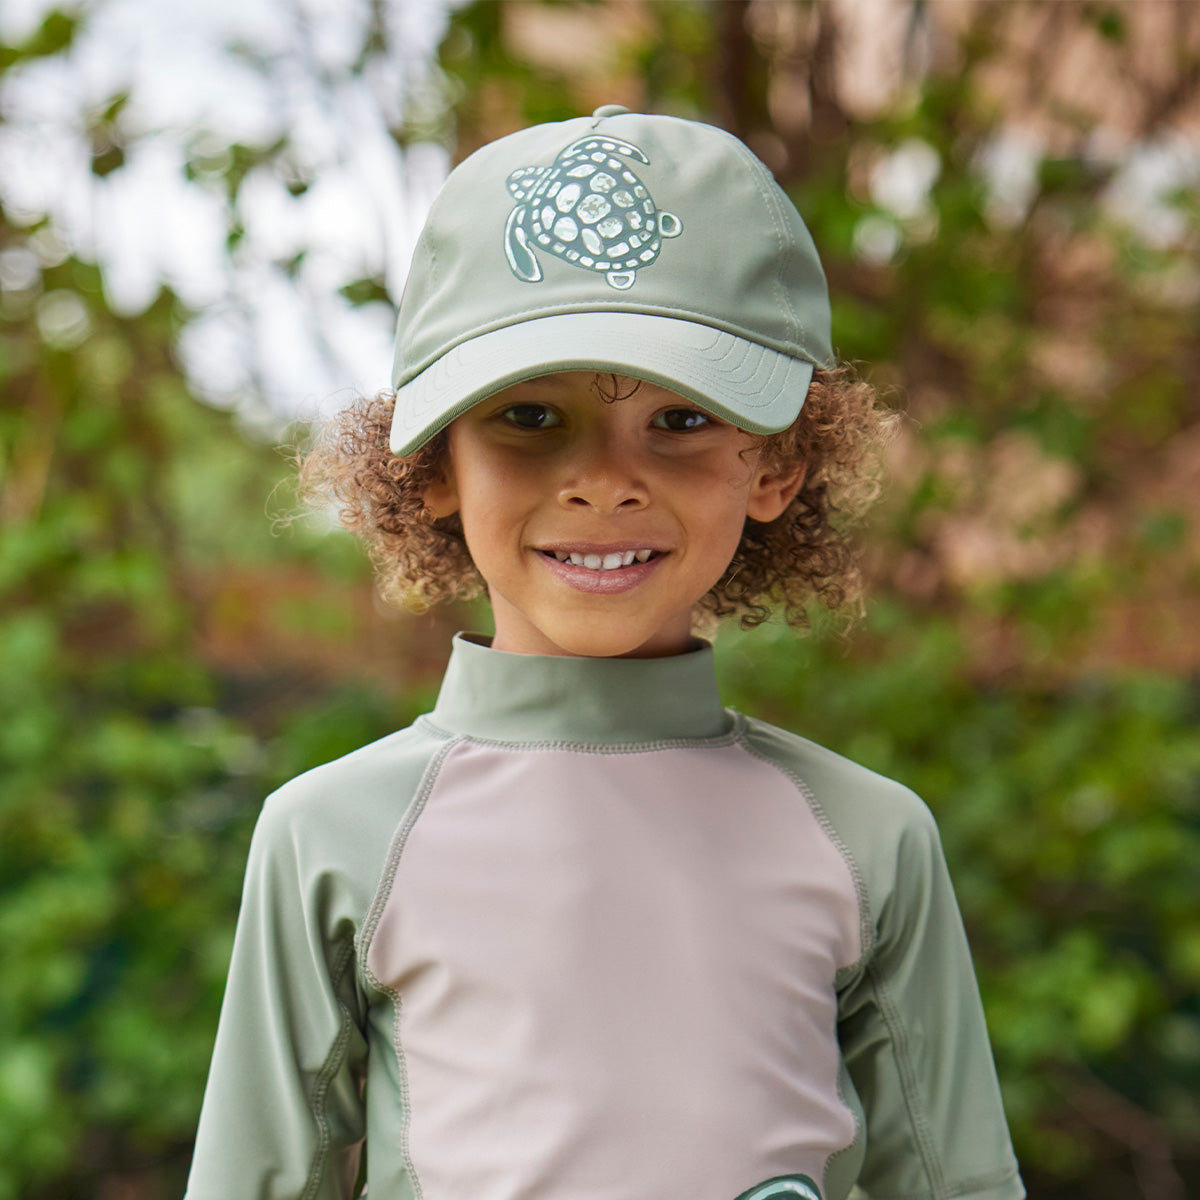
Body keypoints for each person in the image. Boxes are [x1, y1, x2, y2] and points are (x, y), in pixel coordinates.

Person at [184, 106, 1025, 1200]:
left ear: (773, 468)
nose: (604, 481)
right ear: (434, 465)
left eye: (680, 421)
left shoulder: (868, 840)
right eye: (530, 415)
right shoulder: (331, 837)